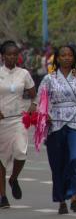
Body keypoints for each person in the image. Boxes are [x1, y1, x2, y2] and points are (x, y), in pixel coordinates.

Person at [37, 45, 76, 215]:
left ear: (74, 58)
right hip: (55, 125)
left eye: (69, 55)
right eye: (63, 55)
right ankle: (62, 202)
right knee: (58, 164)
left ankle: (74, 196)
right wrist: (45, 114)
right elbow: (39, 102)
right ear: (57, 58)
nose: (66, 58)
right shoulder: (48, 79)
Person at [0, 41, 36, 209]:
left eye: (15, 54)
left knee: (21, 152)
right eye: (9, 54)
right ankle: (3, 196)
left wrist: (32, 106)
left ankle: (13, 178)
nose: (12, 57)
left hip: (18, 119)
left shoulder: (24, 73)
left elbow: (33, 94)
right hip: (2, 121)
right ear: (2, 56)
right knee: (2, 158)